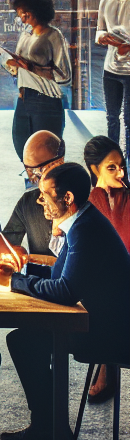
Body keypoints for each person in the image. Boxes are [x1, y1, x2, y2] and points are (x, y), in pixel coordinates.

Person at [0, 163, 130, 440]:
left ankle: (49, 428)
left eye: (45, 194)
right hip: (101, 322)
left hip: (111, 335)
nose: (40, 200)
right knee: (24, 339)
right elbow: (61, 277)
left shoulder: (85, 229)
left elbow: (66, 291)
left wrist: (15, 282)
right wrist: (21, 273)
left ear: (67, 198)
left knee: (24, 340)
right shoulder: (82, 221)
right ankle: (49, 426)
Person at [84, 135, 130, 404]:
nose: (121, 172)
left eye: (122, 165)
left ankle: (106, 362)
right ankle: (106, 361)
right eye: (111, 167)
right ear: (95, 169)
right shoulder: (88, 202)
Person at [5, 0, 72, 163]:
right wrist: (11, 65)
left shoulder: (53, 36)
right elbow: (20, 68)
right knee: (21, 146)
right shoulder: (25, 35)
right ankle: (31, 184)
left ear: (38, 11)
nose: (23, 18)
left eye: (26, 14)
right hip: (24, 98)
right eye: (20, 14)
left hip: (46, 102)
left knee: (46, 152)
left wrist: (32, 68)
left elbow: (64, 75)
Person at [1, 130, 65, 258]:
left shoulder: (80, 200)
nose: (32, 179)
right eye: (27, 171)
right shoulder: (28, 201)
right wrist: (11, 253)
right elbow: (5, 242)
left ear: (58, 163)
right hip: (36, 276)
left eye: (36, 171)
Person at [95, 0, 130, 150]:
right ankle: (113, 156)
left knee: (129, 120)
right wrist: (101, 37)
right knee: (111, 117)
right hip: (110, 69)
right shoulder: (105, 2)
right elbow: (99, 29)